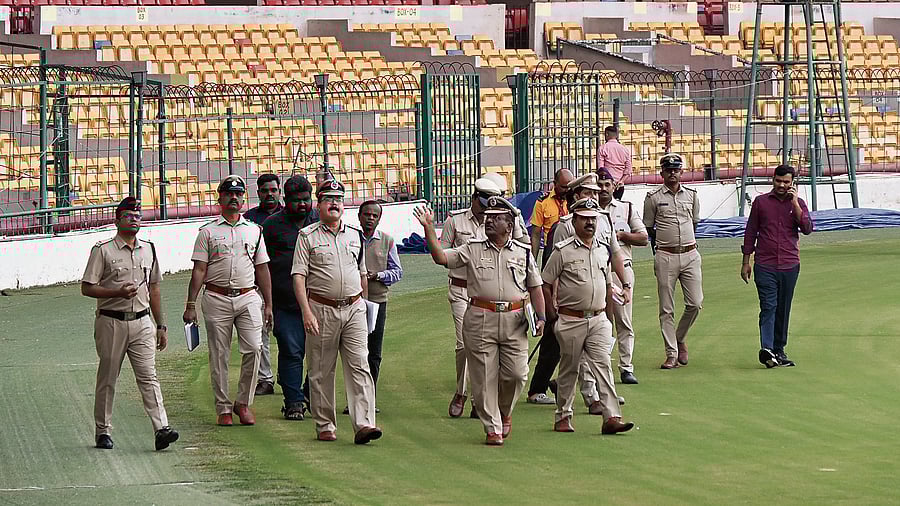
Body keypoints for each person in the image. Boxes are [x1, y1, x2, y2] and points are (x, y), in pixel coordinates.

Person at [415, 196, 547, 446]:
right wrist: (429, 228)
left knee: (517, 374)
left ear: (509, 225)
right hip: (480, 318)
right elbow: (441, 258)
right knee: (484, 376)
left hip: (515, 319)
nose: (489, 221)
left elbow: (535, 286)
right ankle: (492, 426)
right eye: (488, 217)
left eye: (496, 218)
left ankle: (505, 411)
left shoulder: (523, 252)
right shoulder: (472, 248)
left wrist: (541, 317)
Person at [81, 197, 179, 451]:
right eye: (129, 216)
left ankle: (161, 428)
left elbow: (154, 288)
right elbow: (87, 288)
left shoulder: (149, 248)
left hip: (142, 321)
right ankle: (103, 431)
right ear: (117, 220)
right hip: (111, 320)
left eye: (138, 216)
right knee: (108, 376)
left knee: (149, 376)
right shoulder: (103, 250)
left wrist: (161, 325)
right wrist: (116, 293)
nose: (135, 220)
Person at [291, 179, 382, 444]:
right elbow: (298, 277)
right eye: (328, 198)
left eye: (339, 199)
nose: (334, 203)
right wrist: (306, 312)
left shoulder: (355, 235)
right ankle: (325, 424)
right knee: (321, 369)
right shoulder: (307, 236)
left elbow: (362, 273)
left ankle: (364, 424)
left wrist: (364, 305)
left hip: (354, 308)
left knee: (360, 366)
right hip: (321, 308)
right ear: (318, 204)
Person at [183, 175, 274, 426]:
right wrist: (190, 305)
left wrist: (268, 304)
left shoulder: (254, 230)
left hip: (248, 296)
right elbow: (199, 269)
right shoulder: (208, 232)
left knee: (255, 348)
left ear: (244, 198)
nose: (234, 198)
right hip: (216, 296)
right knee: (219, 354)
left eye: (238, 194)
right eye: (229, 194)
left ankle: (242, 402)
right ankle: (223, 406)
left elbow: (262, 268)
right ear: (220, 198)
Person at [541, 198, 635, 435]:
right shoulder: (563, 251)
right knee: (569, 369)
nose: (590, 223)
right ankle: (563, 415)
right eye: (585, 218)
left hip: (598, 319)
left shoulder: (603, 249)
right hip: (571, 319)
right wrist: (551, 315)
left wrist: (609, 310)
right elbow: (545, 282)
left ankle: (611, 416)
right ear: (575, 221)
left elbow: (606, 282)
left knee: (603, 365)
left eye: (593, 219)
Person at [527, 172, 603, 406]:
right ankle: (538, 388)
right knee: (552, 342)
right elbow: (553, 261)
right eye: (588, 192)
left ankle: (578, 388)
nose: (593, 197)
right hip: (563, 294)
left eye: (595, 193)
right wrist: (553, 303)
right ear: (577, 195)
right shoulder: (564, 225)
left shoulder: (598, 220)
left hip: (587, 292)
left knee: (584, 347)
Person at [441, 177, 503, 419]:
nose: (488, 207)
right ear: (475, 197)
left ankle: (479, 399)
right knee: (464, 344)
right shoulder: (454, 220)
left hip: (485, 291)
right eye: (484, 201)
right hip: (460, 289)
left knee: (484, 346)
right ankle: (462, 393)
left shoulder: (495, 222)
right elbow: (442, 252)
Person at [741, 165, 813, 368]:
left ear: (792, 183)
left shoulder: (798, 203)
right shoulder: (761, 202)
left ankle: (779, 350)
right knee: (769, 306)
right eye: (778, 181)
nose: (781, 185)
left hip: (790, 265)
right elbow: (750, 232)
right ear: (773, 180)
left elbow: (807, 228)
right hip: (765, 264)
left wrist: (795, 204)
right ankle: (767, 348)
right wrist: (746, 262)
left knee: (783, 308)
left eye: (786, 182)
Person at [262, 175, 316, 420]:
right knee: (291, 350)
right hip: (285, 302)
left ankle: (310, 394)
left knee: (318, 353)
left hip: (318, 302)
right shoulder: (272, 226)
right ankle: (293, 401)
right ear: (285, 200)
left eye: (306, 199)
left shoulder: (321, 221)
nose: (302, 205)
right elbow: (262, 265)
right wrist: (267, 302)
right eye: (296, 201)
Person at [643, 153, 702, 370]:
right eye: (668, 170)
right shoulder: (653, 197)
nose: (672, 174)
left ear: (681, 172)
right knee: (666, 308)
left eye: (676, 170)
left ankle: (679, 337)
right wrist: (658, 253)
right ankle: (671, 353)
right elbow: (649, 228)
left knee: (695, 303)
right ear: (662, 173)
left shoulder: (692, 195)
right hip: (665, 254)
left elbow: (694, 223)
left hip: (690, 253)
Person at [596, 169, 648, 384]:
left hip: (620, 271)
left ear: (614, 186)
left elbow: (643, 237)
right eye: (599, 185)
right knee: (600, 321)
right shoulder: (588, 211)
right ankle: (601, 364)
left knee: (623, 320)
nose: (603, 189)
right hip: (597, 271)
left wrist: (621, 236)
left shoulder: (625, 209)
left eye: (607, 184)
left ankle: (626, 366)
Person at [243, 174, 283, 397]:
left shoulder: (289, 216)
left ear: (279, 192)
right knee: (261, 335)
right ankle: (265, 379)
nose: (269, 194)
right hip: (257, 286)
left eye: (273, 190)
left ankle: (287, 376)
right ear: (258, 193)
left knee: (288, 335)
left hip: (286, 283)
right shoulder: (248, 219)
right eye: (265, 190)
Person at [359, 200, 403, 396]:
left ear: (379, 219)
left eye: (374, 215)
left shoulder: (387, 241)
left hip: (377, 302)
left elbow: (397, 272)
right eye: (366, 214)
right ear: (359, 216)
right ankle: (355, 397)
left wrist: (377, 275)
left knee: (373, 352)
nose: (370, 218)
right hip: (352, 300)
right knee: (354, 352)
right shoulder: (350, 238)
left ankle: (369, 396)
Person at [530, 168, 575, 259]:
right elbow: (536, 234)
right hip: (551, 249)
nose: (567, 190)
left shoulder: (575, 200)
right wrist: (533, 260)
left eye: (569, 187)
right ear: (555, 184)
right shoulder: (542, 202)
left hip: (572, 248)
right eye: (563, 187)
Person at [482, 171, 530, 243]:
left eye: (500, 195)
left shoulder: (512, 213)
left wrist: (515, 224)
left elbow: (524, 244)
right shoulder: (465, 218)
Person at [596, 126, 632, 200]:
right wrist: (621, 181)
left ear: (607, 134)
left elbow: (601, 168)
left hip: (606, 185)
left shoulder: (602, 148)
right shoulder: (625, 150)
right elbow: (628, 170)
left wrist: (611, 182)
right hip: (619, 186)